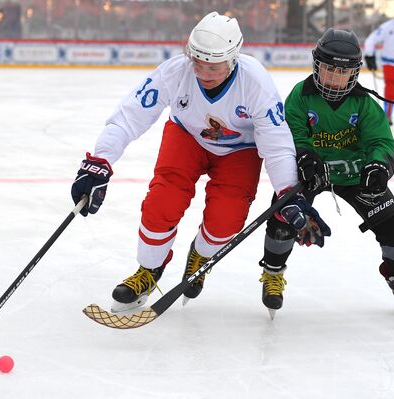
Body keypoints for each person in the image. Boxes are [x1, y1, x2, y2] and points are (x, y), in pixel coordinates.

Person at [71, 11, 330, 313]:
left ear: (233, 59)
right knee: (162, 202)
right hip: (187, 138)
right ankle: (149, 269)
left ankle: (200, 255)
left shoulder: (256, 82)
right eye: (198, 62)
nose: (204, 73)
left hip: (239, 151)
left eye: (214, 66)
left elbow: (276, 143)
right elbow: (131, 114)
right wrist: (99, 161)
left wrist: (288, 193)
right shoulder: (177, 71)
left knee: (226, 220)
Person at [258, 28, 394, 317]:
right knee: (282, 217)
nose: (335, 79)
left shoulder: (363, 103)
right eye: (329, 70)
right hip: (312, 173)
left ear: (354, 73)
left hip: (355, 174)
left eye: (343, 72)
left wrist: (379, 166)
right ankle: (273, 274)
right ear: (317, 66)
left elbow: (381, 141)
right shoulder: (300, 97)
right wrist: (304, 156)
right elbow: (293, 135)